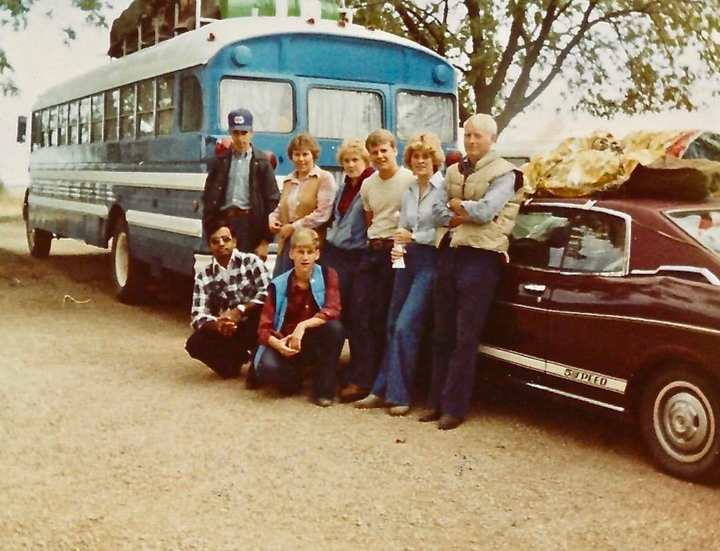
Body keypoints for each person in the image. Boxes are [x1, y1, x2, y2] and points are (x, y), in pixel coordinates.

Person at [422, 114, 527, 430]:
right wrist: (459, 211)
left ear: (492, 139)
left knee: (465, 337)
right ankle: (435, 402)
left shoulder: (506, 174)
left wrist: (456, 208)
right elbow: (433, 213)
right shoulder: (453, 170)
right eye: (467, 135)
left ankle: (454, 408)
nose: (471, 141)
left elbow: (486, 212)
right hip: (450, 253)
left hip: (481, 259)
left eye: (478, 136)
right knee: (441, 333)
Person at [354, 132, 445, 416]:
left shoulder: (442, 189)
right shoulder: (409, 191)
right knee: (392, 323)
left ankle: (400, 395)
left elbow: (445, 231)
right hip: (406, 259)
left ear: (434, 160)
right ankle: (380, 389)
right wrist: (397, 253)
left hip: (430, 262)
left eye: (426, 157)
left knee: (406, 325)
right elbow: (400, 229)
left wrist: (413, 237)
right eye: (416, 157)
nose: (420, 162)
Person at [339, 129, 415, 402]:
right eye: (375, 152)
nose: (380, 155)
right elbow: (371, 222)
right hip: (371, 253)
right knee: (358, 315)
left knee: (384, 318)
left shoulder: (409, 179)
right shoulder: (368, 184)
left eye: (385, 150)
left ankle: (383, 385)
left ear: (394, 150)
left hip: (398, 253)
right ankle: (362, 378)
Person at [254, 228, 344, 407]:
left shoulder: (328, 275)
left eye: (310, 252)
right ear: (291, 253)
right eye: (300, 251)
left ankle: (324, 388)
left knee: (335, 328)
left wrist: (302, 326)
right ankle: (294, 375)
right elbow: (263, 329)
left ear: (317, 254)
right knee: (276, 376)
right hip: (285, 342)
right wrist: (278, 345)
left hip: (310, 338)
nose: (305, 257)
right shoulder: (278, 284)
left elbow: (333, 309)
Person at [185, 219, 271, 382]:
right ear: (209, 245)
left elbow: (268, 292)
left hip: (251, 323)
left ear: (235, 241)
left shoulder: (251, 262)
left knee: (261, 315)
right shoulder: (204, 276)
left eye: (226, 239)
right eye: (215, 241)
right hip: (226, 330)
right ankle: (235, 360)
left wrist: (240, 310)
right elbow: (197, 315)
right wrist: (218, 324)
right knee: (194, 343)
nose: (221, 244)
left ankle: (257, 358)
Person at [202, 108, 279, 259]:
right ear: (230, 133)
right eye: (236, 133)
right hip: (223, 223)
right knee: (223, 273)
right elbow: (209, 195)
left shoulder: (261, 162)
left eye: (244, 133)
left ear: (251, 133)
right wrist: (210, 228)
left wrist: (265, 241)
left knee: (247, 274)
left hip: (250, 226)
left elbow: (272, 201)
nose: (240, 138)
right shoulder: (221, 161)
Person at [322, 140, 374, 342]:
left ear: (365, 160)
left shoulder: (369, 186)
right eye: (346, 161)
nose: (351, 165)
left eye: (355, 160)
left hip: (358, 255)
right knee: (335, 309)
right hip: (336, 255)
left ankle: (359, 368)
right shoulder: (344, 187)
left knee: (357, 314)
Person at [268, 133, 337, 276]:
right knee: (281, 286)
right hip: (287, 245)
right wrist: (273, 219)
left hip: (311, 246)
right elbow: (282, 208)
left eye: (305, 154)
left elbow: (322, 213)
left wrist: (293, 227)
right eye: (296, 155)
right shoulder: (289, 180)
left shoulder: (324, 178)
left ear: (313, 155)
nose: (301, 159)